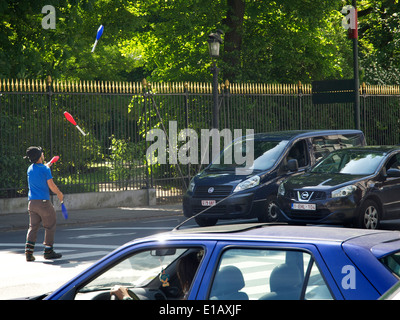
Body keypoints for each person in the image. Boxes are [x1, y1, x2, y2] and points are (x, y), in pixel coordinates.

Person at [24, 146, 63, 261]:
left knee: (33, 227)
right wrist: (60, 194)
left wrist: (47, 166)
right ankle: (48, 251)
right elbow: (52, 186)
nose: (43, 154)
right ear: (40, 156)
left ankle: (28, 253)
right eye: (42, 153)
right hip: (44, 203)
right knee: (50, 225)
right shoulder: (45, 170)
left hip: (32, 203)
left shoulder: (30, 168)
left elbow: (40, 170)